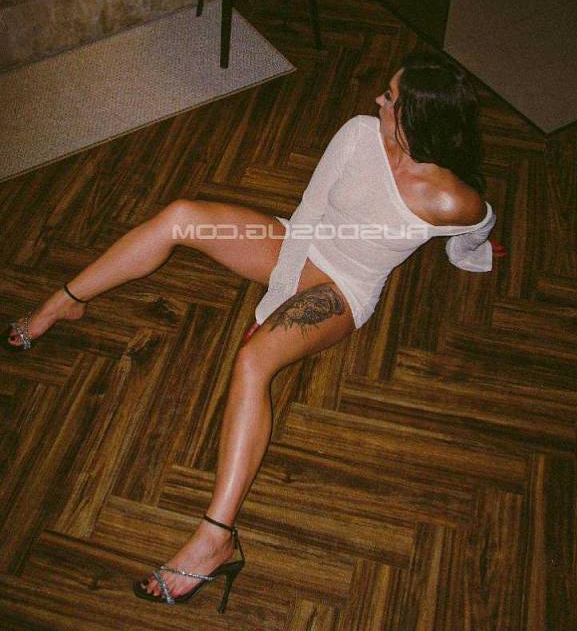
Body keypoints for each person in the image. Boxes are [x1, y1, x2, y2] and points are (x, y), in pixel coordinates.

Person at [3, 52, 497, 611]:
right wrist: (277, 296)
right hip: (296, 244)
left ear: (416, 116)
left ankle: (215, 539)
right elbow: (308, 211)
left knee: (252, 362)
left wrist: (469, 256)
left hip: (345, 290)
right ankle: (62, 304)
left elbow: (478, 227)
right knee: (182, 214)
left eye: (390, 97)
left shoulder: (452, 199)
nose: (378, 100)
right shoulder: (360, 133)